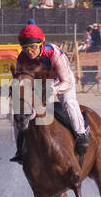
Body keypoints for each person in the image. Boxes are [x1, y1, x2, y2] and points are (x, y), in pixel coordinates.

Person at [12, 23, 88, 161]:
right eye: (25, 48)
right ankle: (20, 149)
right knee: (19, 111)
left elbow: (67, 82)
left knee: (68, 102)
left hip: (61, 79)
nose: (29, 51)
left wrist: (55, 89)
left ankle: (81, 134)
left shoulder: (54, 53)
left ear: (42, 44)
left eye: (33, 47)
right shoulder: (22, 59)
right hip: (40, 83)